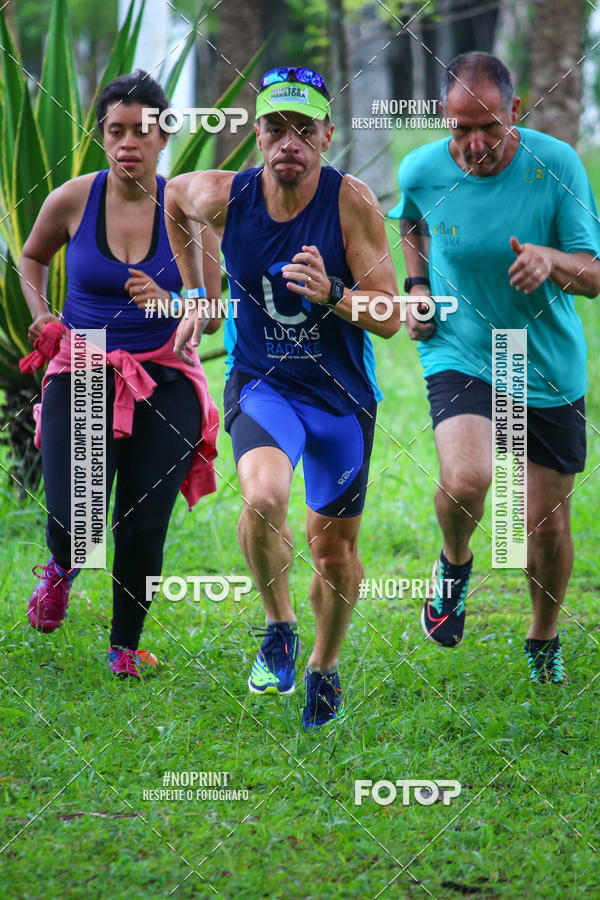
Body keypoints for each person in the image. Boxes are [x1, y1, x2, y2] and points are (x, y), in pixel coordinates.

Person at [165, 66, 399, 728]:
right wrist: (198, 293)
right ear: (256, 134)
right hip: (264, 385)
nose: (288, 142)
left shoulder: (350, 201)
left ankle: (324, 668)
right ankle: (279, 627)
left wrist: (334, 293)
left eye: (304, 129)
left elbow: (389, 315)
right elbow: (174, 199)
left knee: (332, 550)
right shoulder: (223, 195)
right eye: (276, 128)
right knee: (263, 495)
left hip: (340, 400)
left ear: (327, 134)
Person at [390, 51, 600, 683]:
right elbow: (410, 223)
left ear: (515, 111)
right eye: (459, 129)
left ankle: (543, 637)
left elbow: (592, 274)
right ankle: (454, 565)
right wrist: (416, 287)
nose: (474, 144)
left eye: (488, 126)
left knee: (545, 524)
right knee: (467, 480)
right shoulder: (423, 169)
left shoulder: (556, 165)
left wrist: (550, 260)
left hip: (544, 364)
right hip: (463, 348)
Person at [19, 70, 221, 679]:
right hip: (81, 365)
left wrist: (170, 301)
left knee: (142, 521)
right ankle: (62, 565)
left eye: (142, 131)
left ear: (165, 137)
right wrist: (43, 314)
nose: (127, 142)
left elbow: (210, 313)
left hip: (164, 377)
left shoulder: (189, 214)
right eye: (115, 131)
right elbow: (31, 257)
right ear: (102, 135)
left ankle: (124, 645)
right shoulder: (75, 198)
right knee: (75, 514)